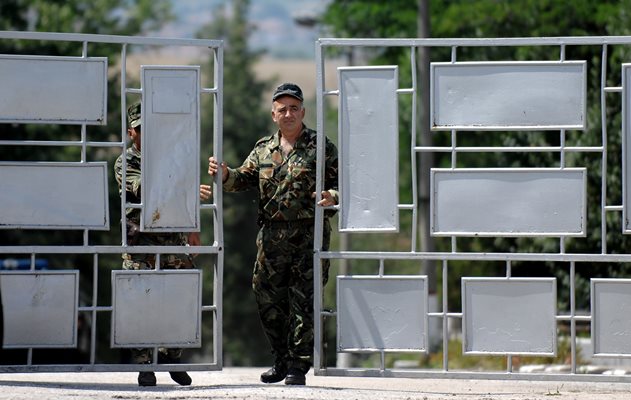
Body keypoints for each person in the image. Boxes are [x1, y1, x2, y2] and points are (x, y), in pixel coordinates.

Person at [208, 83, 338, 386]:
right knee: (267, 298)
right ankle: (281, 358)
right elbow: (243, 179)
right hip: (271, 239)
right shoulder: (263, 148)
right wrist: (225, 174)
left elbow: (341, 182)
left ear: (303, 112)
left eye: (294, 108)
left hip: (309, 236)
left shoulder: (321, 146)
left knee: (303, 302)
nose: (289, 113)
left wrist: (333, 195)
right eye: (283, 109)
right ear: (274, 115)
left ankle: (298, 364)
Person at [114, 101, 211, 387]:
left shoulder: (174, 157)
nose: (149, 134)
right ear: (132, 132)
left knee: (178, 299)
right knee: (141, 301)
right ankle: (145, 364)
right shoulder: (126, 161)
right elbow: (145, 189)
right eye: (143, 129)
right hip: (142, 243)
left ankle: (172, 358)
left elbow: (184, 196)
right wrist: (184, 187)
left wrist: (195, 226)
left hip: (174, 240)